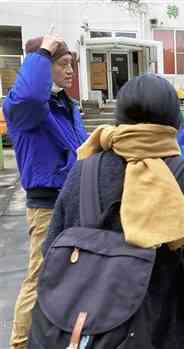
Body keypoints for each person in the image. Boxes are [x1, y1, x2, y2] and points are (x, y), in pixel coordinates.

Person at [40, 74, 184, 348]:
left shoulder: (85, 167)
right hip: (163, 328)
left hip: (88, 329)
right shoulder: (183, 174)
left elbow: (49, 250)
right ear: (173, 119)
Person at [2, 34, 88, 349]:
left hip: (75, 199)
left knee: (77, 273)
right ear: (40, 67)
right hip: (47, 206)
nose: (70, 72)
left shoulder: (66, 106)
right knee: (40, 278)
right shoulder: (23, 108)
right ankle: (20, 344)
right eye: (62, 64)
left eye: (72, 65)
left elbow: (82, 147)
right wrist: (42, 52)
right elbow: (28, 97)